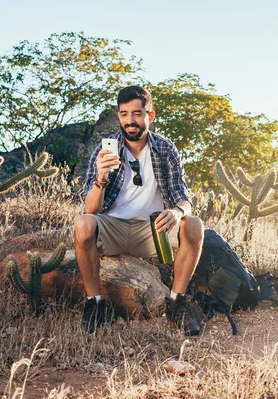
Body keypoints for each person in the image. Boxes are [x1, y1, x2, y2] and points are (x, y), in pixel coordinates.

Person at [74, 85, 204, 335]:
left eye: (137, 113)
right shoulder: (105, 151)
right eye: (124, 114)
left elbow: (184, 198)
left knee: (194, 224)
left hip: (152, 231)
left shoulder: (165, 149)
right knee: (83, 224)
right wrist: (101, 177)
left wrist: (176, 212)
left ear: (149, 116)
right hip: (113, 229)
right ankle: (94, 304)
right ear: (119, 116)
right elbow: (90, 211)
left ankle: (176, 302)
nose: (130, 121)